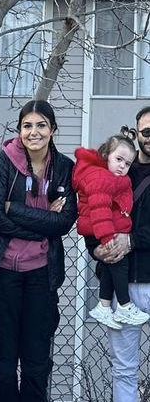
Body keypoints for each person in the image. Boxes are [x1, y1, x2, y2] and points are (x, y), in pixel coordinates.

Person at [0, 99, 77, 402]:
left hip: (41, 277)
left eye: (41, 125)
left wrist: (14, 210)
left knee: (36, 363)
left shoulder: (65, 168)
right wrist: (43, 222)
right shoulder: (3, 161)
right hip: (2, 273)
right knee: (3, 361)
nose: (34, 132)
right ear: (19, 130)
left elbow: (64, 223)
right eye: (27, 126)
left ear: (53, 129)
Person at [90, 106, 150, 402]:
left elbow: (130, 234)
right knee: (124, 369)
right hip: (121, 285)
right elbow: (93, 209)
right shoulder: (117, 168)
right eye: (147, 131)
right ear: (137, 133)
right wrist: (96, 247)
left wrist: (132, 240)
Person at [73, 135, 149, 329]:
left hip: (107, 230)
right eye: (118, 160)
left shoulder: (109, 176)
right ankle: (123, 305)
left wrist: (126, 239)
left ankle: (104, 306)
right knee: (117, 261)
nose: (122, 166)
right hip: (105, 230)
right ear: (106, 155)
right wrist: (105, 239)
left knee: (112, 263)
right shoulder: (102, 177)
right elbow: (99, 209)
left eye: (127, 163)